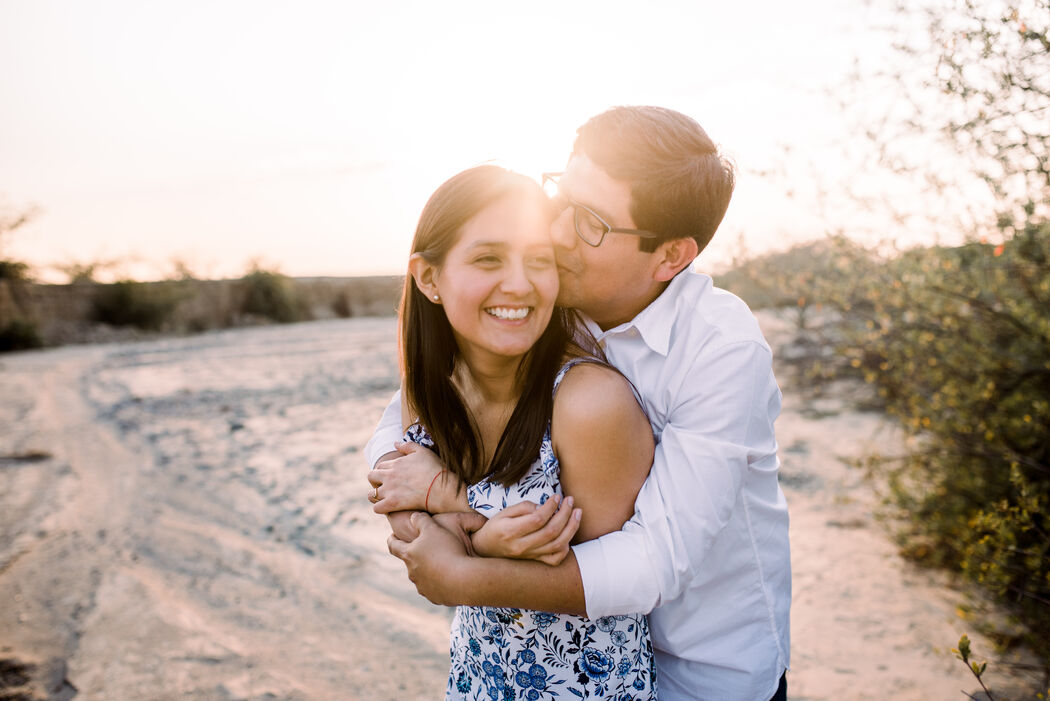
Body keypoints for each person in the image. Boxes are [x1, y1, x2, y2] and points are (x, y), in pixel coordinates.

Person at [368, 106, 791, 701]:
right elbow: (403, 431)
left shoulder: (722, 349)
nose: (559, 230)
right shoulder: (545, 300)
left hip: (706, 672)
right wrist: (425, 523)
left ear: (670, 256)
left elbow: (652, 563)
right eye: (562, 195)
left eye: (590, 221)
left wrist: (462, 566)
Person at [378, 163, 659, 700]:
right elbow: (404, 522)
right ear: (429, 277)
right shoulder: (431, 391)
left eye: (539, 261)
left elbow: (601, 586)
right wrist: (479, 536)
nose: (520, 283)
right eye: (488, 258)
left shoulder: (588, 405)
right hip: (476, 681)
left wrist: (464, 526)